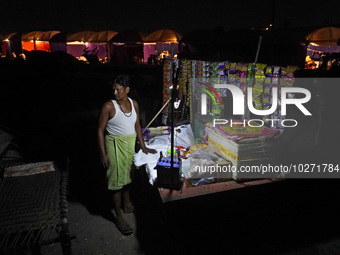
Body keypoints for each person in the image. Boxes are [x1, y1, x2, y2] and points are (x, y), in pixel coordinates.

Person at [97, 74, 156, 235]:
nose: (115, 92)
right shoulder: (109, 106)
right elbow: (100, 131)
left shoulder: (133, 103)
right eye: (114, 89)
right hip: (114, 145)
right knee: (116, 180)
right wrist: (103, 154)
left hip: (129, 143)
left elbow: (137, 125)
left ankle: (128, 204)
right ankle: (118, 216)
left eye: (119, 89)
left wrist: (143, 147)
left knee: (128, 175)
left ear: (127, 90)